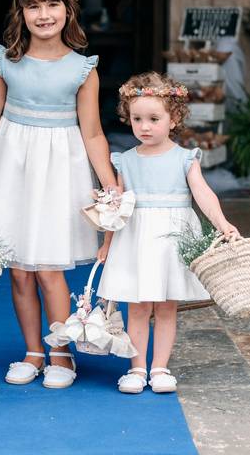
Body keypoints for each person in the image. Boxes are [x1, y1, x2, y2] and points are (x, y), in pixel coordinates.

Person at [0, 0, 116, 389]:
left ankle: (60, 352)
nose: (44, 14)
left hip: (59, 166)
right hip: (14, 163)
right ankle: (32, 351)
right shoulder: (5, 61)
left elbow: (92, 132)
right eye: (34, 6)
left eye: (53, 5)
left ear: (69, 11)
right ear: (21, 12)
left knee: (49, 266)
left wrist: (110, 186)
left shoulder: (83, 69)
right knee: (18, 268)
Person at [97, 72, 240, 395]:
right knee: (137, 305)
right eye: (136, 119)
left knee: (165, 307)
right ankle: (136, 367)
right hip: (135, 240)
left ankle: (159, 367)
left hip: (169, 241)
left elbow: (203, 193)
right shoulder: (126, 161)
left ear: (173, 119)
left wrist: (222, 223)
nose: (144, 126)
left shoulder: (184, 158)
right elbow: (117, 209)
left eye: (153, 118)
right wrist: (107, 243)